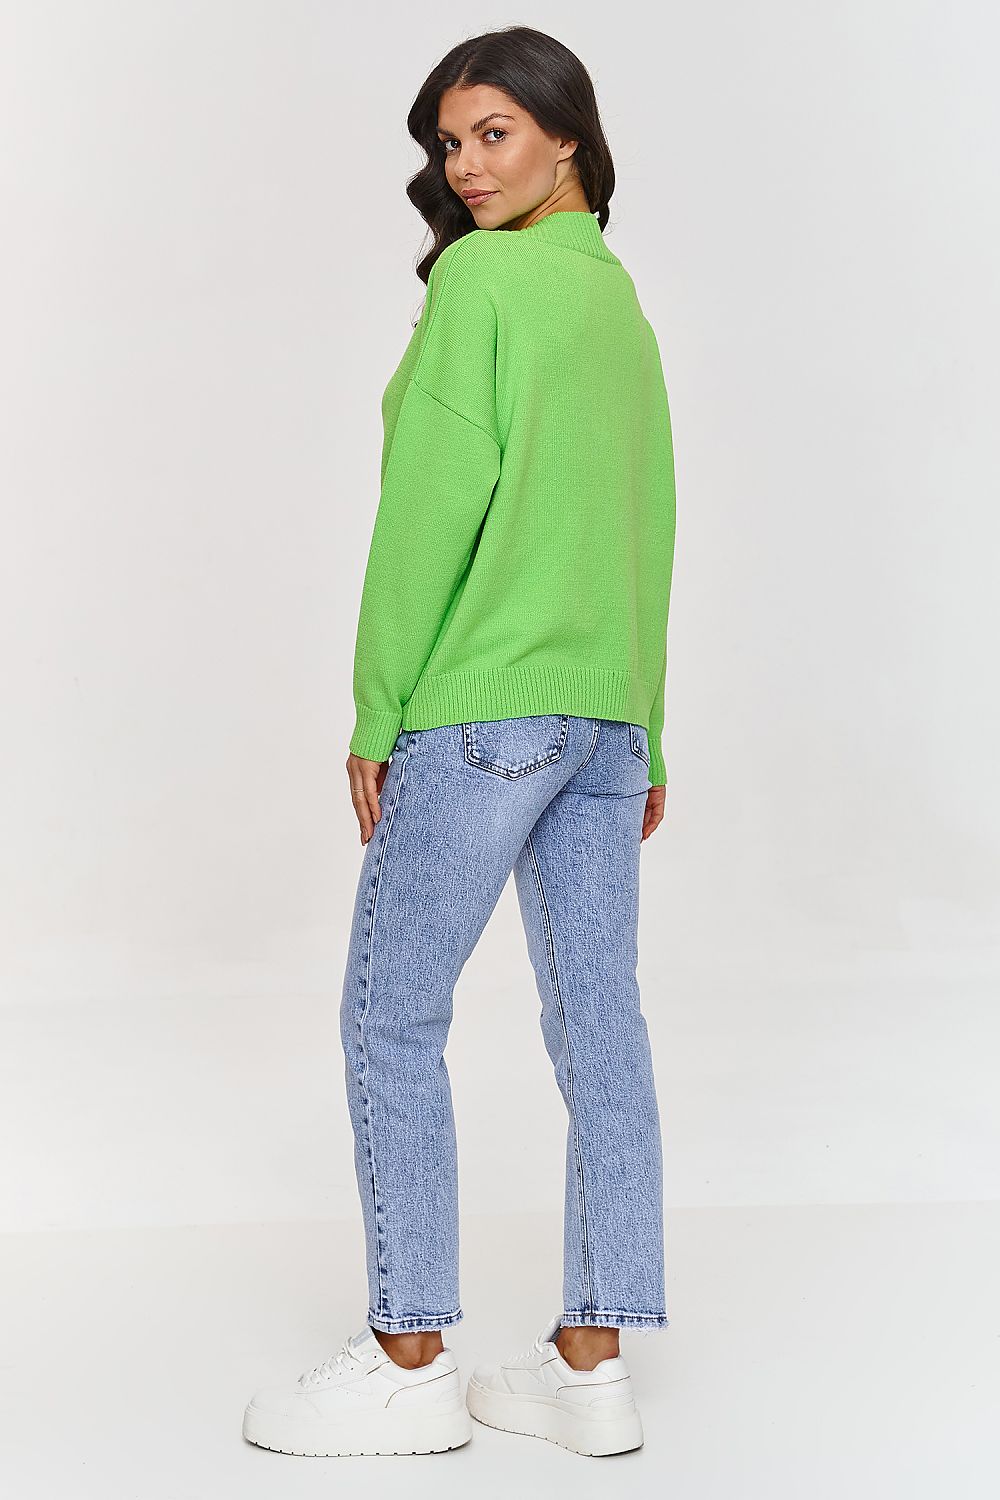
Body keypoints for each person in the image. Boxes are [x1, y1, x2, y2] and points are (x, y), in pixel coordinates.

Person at [243, 24, 677, 1459]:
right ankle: (590, 1370)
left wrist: (378, 709)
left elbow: (426, 516)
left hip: (482, 711)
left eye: (495, 133)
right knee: (599, 1027)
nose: (467, 167)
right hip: (601, 718)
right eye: (449, 142)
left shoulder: (484, 283)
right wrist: (646, 723)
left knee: (392, 1016)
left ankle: (407, 1357)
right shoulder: (614, 299)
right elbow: (645, 521)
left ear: (567, 136)